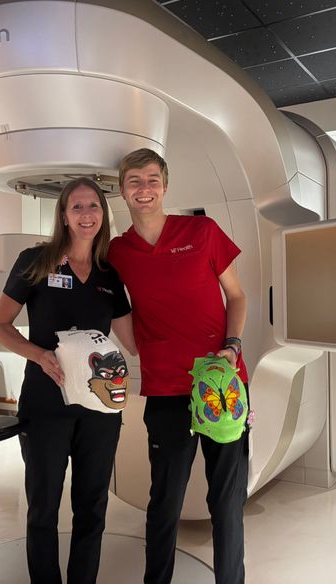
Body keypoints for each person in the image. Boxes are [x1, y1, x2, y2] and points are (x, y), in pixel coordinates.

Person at [107, 148, 250, 584]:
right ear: (122, 190)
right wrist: (138, 347)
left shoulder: (202, 231)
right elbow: (117, 308)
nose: (144, 189)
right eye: (135, 181)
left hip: (220, 384)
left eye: (152, 180)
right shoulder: (118, 251)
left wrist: (233, 344)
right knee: (165, 500)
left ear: (165, 186)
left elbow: (237, 296)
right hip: (166, 391)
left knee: (225, 502)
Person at [0, 177, 136, 584]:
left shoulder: (110, 274)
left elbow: (133, 341)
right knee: (43, 508)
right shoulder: (35, 261)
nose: (87, 215)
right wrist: (39, 354)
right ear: (64, 216)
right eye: (77, 207)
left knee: (92, 506)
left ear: (103, 214)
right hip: (46, 403)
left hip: (99, 407)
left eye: (93, 207)